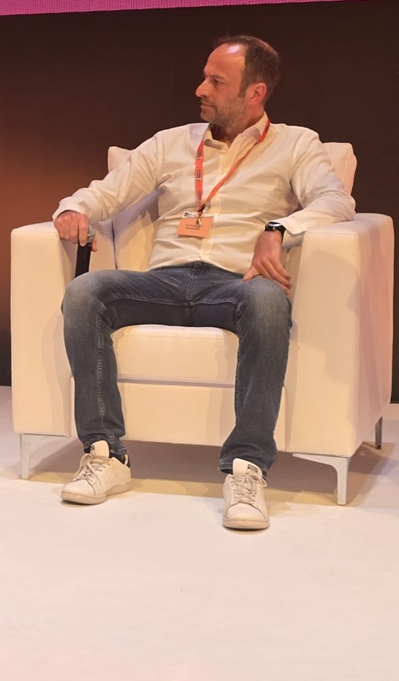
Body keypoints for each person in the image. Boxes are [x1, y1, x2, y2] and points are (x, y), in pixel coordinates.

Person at [52, 35, 354, 530]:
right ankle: (106, 454)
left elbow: (336, 201)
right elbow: (105, 193)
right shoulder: (171, 142)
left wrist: (280, 229)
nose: (201, 89)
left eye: (217, 81)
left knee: (266, 302)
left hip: (235, 284)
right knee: (85, 292)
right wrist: (73, 207)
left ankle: (247, 467)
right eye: (204, 76)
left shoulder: (297, 143)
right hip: (165, 281)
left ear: (255, 93)